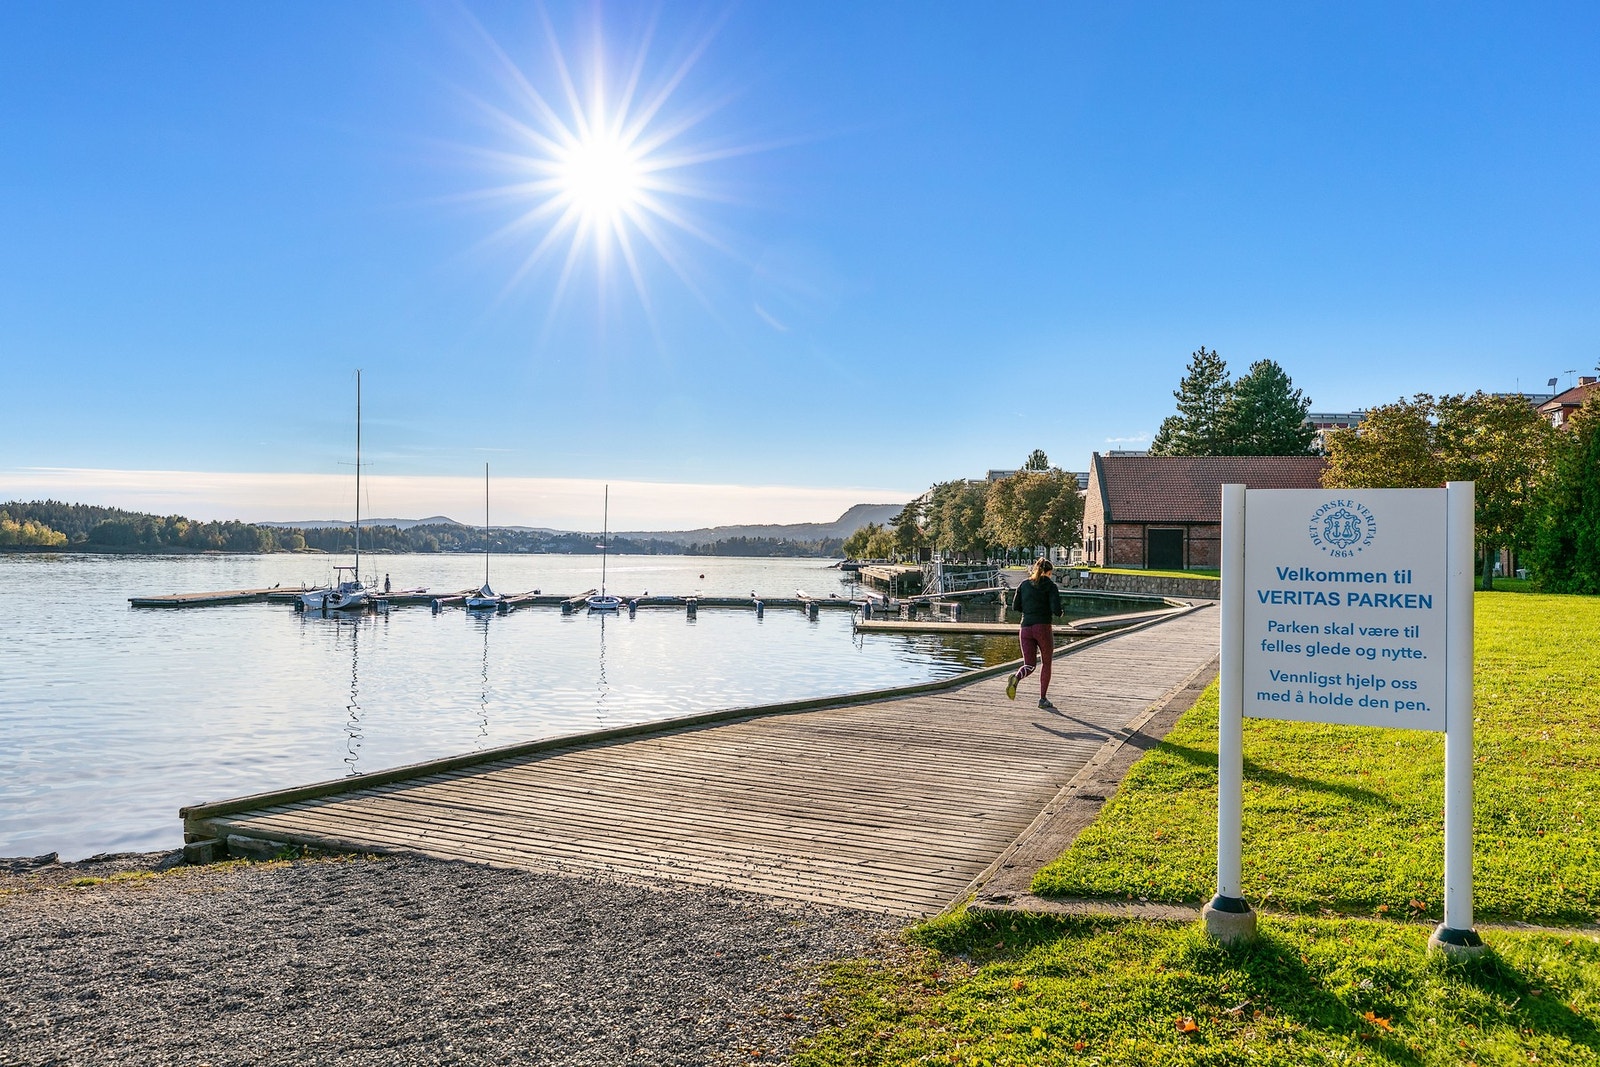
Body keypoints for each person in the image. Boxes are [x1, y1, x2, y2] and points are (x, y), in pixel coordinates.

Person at [1006, 557, 1063, 710]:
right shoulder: (1050, 586)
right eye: (1050, 573)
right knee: (1046, 663)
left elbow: (1015, 607)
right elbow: (1056, 609)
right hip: (1042, 627)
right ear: (1048, 572)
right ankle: (1042, 699)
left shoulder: (1024, 584)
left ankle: (1016, 678)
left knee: (1029, 665)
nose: (1051, 576)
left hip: (1025, 628)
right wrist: (1061, 612)